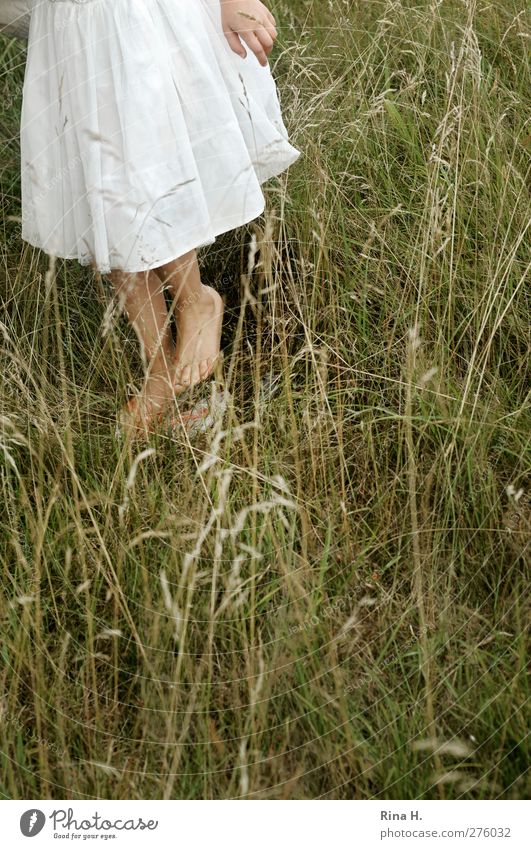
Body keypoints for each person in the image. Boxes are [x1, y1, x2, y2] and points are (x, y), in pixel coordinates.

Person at [19, 0, 300, 436]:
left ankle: (196, 300)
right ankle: (162, 369)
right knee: (100, 198)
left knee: (141, 167)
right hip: (66, 19)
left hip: (124, 13)